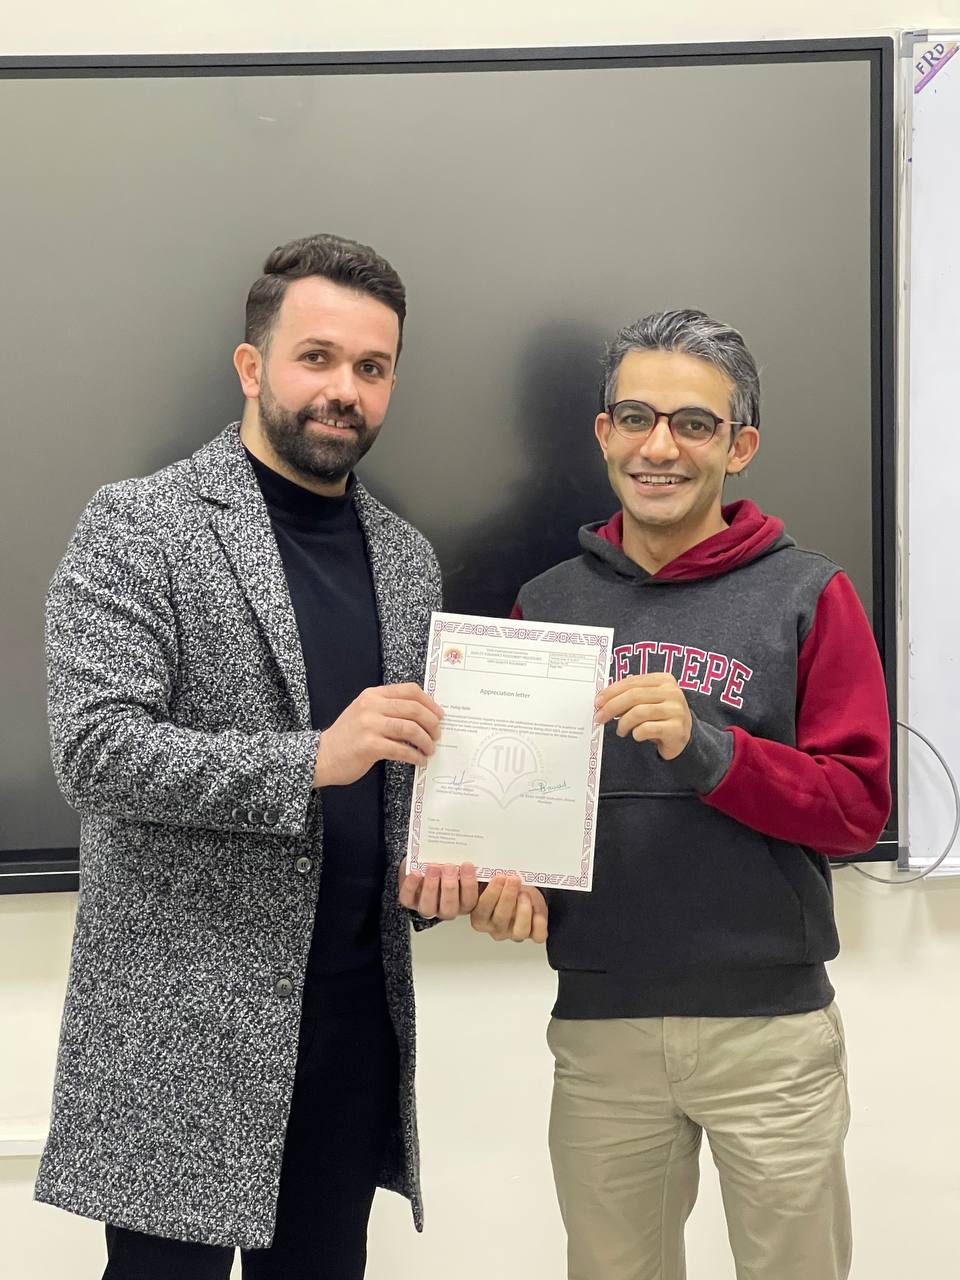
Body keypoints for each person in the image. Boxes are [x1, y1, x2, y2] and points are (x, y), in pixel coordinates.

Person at [34, 232, 537, 1280]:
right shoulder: (139, 525)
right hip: (181, 1028)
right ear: (252, 365)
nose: (344, 388)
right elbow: (95, 749)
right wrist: (312, 757)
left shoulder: (406, 558)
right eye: (317, 357)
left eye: (372, 366)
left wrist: (437, 878)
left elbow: (400, 788)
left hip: (350, 1024)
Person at [503, 309, 891, 1280]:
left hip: (772, 1036)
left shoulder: (812, 594)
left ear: (739, 445)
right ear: (604, 434)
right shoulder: (545, 606)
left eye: (694, 424)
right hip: (603, 1032)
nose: (660, 447)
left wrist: (710, 749)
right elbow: (519, 808)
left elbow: (857, 811)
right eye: (636, 418)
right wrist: (501, 883)